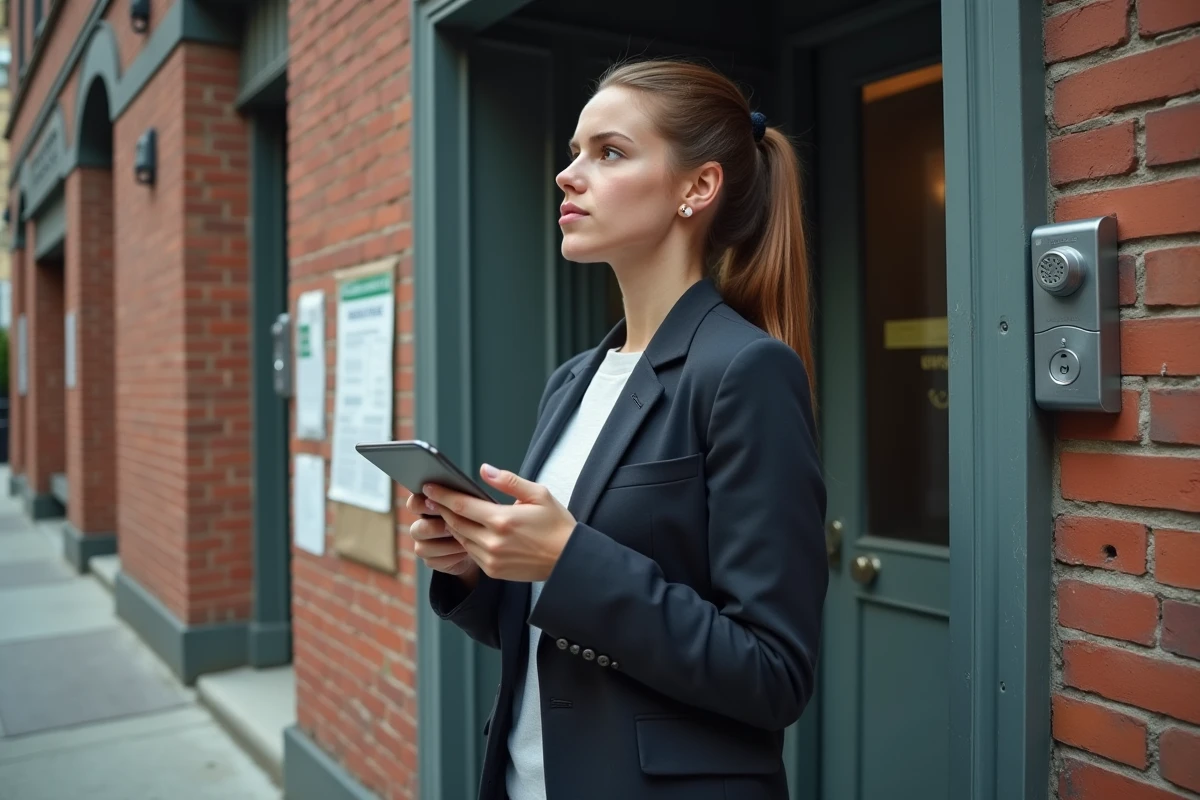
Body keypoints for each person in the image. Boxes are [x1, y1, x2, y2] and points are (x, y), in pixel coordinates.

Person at [406, 57, 828, 800]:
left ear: (697, 188)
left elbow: (774, 674)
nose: (569, 174)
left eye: (609, 152)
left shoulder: (746, 372)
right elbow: (552, 631)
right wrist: (477, 565)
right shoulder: (574, 379)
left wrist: (569, 559)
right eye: (574, 152)